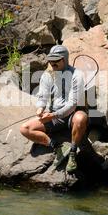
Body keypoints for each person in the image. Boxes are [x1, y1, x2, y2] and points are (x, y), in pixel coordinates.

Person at [19, 45, 88, 173]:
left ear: (64, 59)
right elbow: (42, 96)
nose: (52, 63)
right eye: (50, 60)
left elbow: (73, 104)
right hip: (53, 116)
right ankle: (56, 146)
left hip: (71, 115)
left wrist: (54, 115)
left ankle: (72, 152)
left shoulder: (76, 75)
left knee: (81, 119)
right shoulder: (47, 75)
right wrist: (40, 108)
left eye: (56, 60)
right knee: (25, 129)